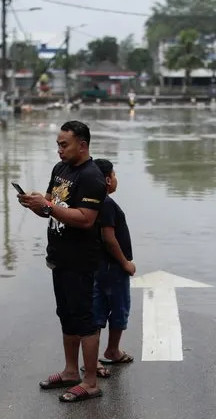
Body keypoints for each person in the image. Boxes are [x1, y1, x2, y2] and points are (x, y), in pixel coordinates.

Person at [17, 120, 107, 403]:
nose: (59, 150)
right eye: (57, 144)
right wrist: (35, 202)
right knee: (66, 315)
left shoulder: (92, 176)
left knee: (85, 320)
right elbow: (50, 205)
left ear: (82, 144)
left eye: (64, 144)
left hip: (81, 260)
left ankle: (90, 381)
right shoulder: (61, 170)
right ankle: (70, 371)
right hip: (59, 256)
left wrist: (48, 206)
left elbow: (85, 218)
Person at [90, 159, 135, 377]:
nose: (116, 179)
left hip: (98, 266)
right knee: (118, 307)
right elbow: (108, 238)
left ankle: (94, 359)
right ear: (107, 180)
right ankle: (113, 351)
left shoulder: (92, 202)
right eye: (114, 175)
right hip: (113, 267)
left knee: (96, 311)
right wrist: (125, 262)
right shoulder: (106, 203)